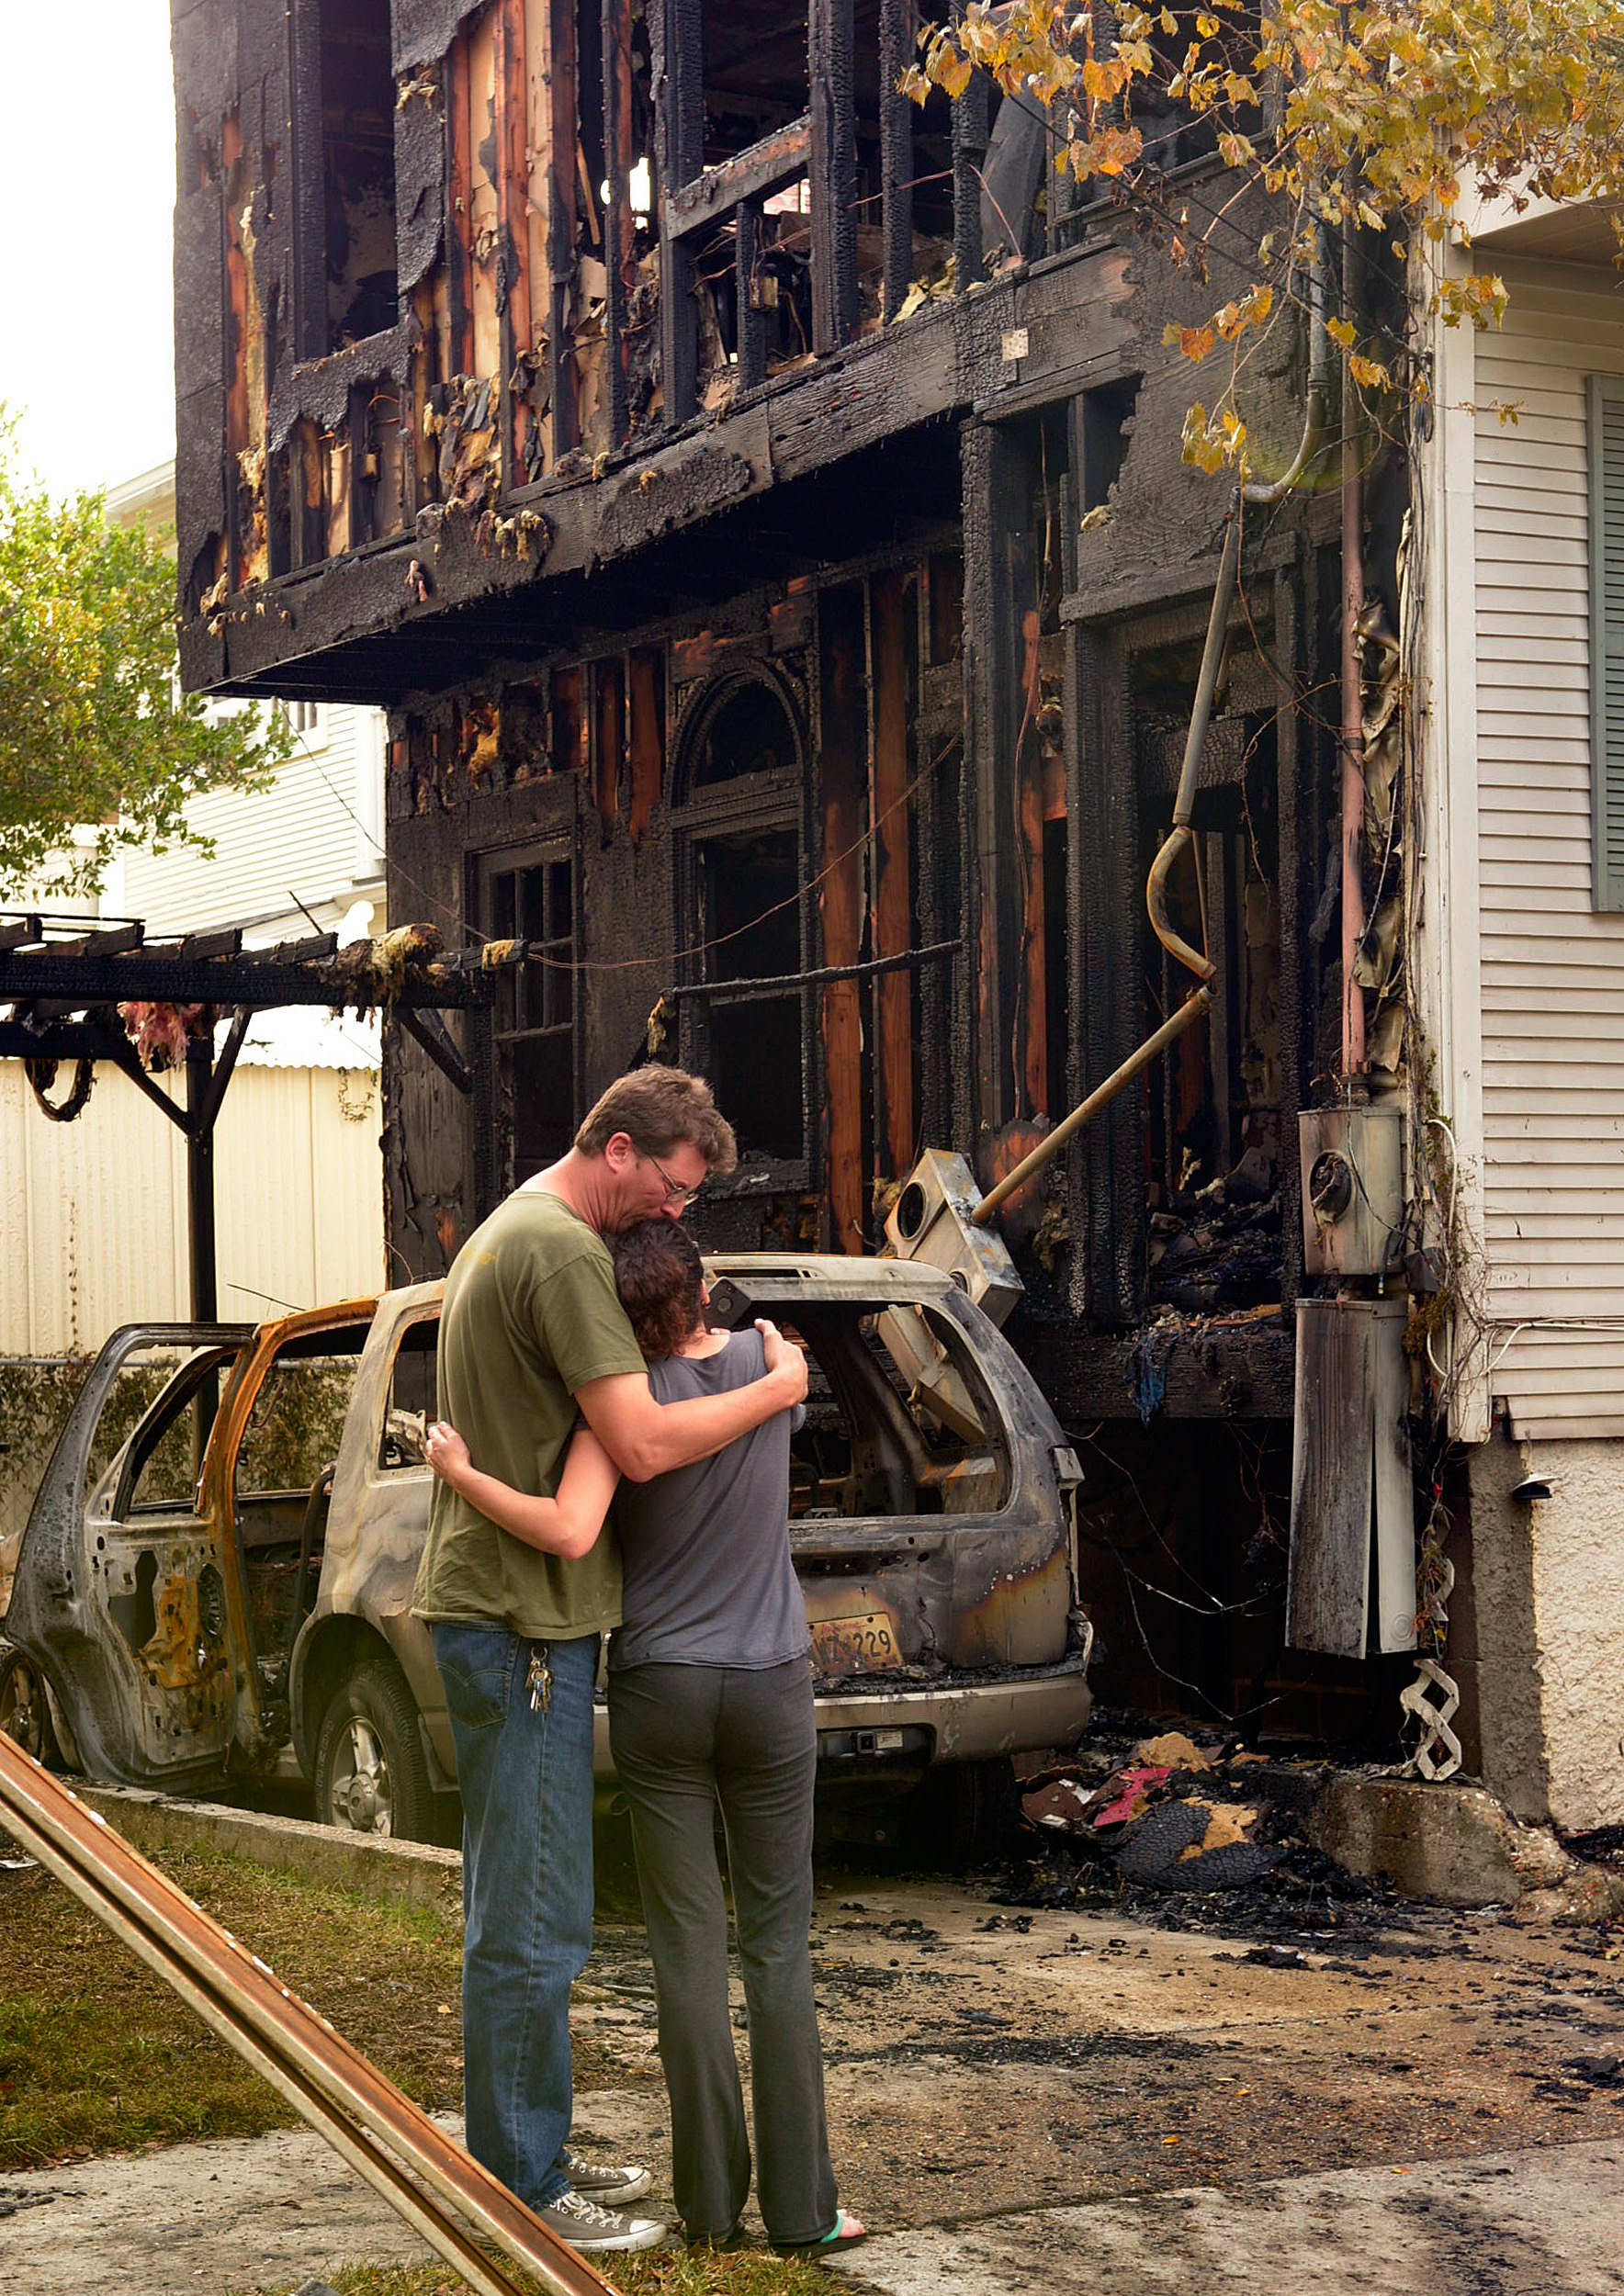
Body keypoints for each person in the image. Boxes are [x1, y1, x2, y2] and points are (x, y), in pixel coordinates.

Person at [411, 1069, 808, 2254]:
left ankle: (522, 2144)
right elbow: (636, 1441)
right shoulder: (569, 1254)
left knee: (513, 1905)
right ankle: (528, 2188)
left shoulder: (504, 1228)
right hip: (529, 1621)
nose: (678, 1214)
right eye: (676, 1189)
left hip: (498, 1608)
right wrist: (779, 1387)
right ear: (623, 1149)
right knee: (537, 1920)